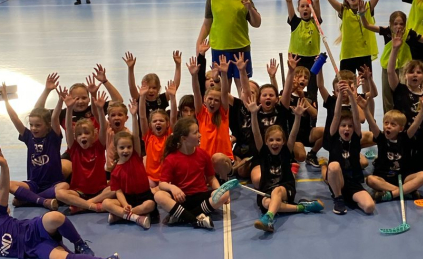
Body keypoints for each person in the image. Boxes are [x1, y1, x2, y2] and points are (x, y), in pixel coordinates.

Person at [246, 98, 323, 233]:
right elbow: (256, 132)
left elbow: (293, 133)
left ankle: (269, 218)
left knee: (277, 192)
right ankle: (302, 207)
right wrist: (253, 114)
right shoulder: (263, 152)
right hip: (266, 188)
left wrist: (298, 117)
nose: (274, 143)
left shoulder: (286, 151)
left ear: (283, 142)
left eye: (278, 140)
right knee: (267, 203)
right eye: (271, 140)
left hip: (285, 187)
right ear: (266, 142)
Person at [154, 118, 232, 230]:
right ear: (184, 138)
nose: (200, 135)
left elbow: (211, 178)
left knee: (225, 192)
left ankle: (182, 217)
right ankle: (195, 220)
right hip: (181, 199)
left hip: (200, 198)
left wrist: (218, 191)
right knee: (159, 195)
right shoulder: (171, 159)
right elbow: (162, 184)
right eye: (195, 133)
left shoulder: (203, 154)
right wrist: (172, 187)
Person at [197, 0, 261, 81]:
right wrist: (199, 44)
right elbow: (207, 24)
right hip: (219, 48)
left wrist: (250, 9)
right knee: (222, 86)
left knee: (243, 86)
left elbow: (257, 24)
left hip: (241, 47)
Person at [324, 81, 375, 215]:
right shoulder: (334, 136)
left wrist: (352, 95)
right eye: (343, 126)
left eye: (350, 126)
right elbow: (336, 115)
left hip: (353, 182)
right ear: (338, 127)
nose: (347, 129)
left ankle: (348, 196)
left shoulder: (355, 138)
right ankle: (338, 198)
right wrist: (341, 95)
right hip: (339, 180)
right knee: (333, 166)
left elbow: (357, 117)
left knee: (369, 207)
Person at [55, 89, 109, 213]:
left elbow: (103, 127)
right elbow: (69, 129)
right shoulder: (74, 148)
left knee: (115, 189)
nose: (83, 136)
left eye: (87, 133)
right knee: (60, 194)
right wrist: (69, 109)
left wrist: (100, 110)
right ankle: (92, 206)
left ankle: (81, 205)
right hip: (79, 191)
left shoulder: (99, 146)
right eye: (79, 134)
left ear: (94, 134)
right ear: (75, 137)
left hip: (100, 190)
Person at [364, 101, 423, 203]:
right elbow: (371, 123)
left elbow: (416, 124)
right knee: (370, 180)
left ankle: (392, 194)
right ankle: (406, 191)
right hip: (384, 177)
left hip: (403, 177)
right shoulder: (381, 137)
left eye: (393, 124)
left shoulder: (405, 137)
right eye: (386, 123)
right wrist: (365, 109)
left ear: (401, 129)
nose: (388, 126)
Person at [325, 0, 388, 72]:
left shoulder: (367, 7)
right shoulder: (344, 10)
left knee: (366, 80)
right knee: (346, 81)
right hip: (348, 54)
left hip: (364, 53)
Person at [101, 114, 156, 229]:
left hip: (143, 196)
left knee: (150, 204)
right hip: (127, 199)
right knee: (106, 203)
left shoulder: (136, 156)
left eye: (129, 147)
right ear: (116, 148)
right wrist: (125, 204)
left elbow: (135, 136)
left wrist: (134, 116)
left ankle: (120, 216)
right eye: (122, 148)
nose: (126, 150)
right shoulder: (115, 170)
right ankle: (136, 218)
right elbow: (118, 192)